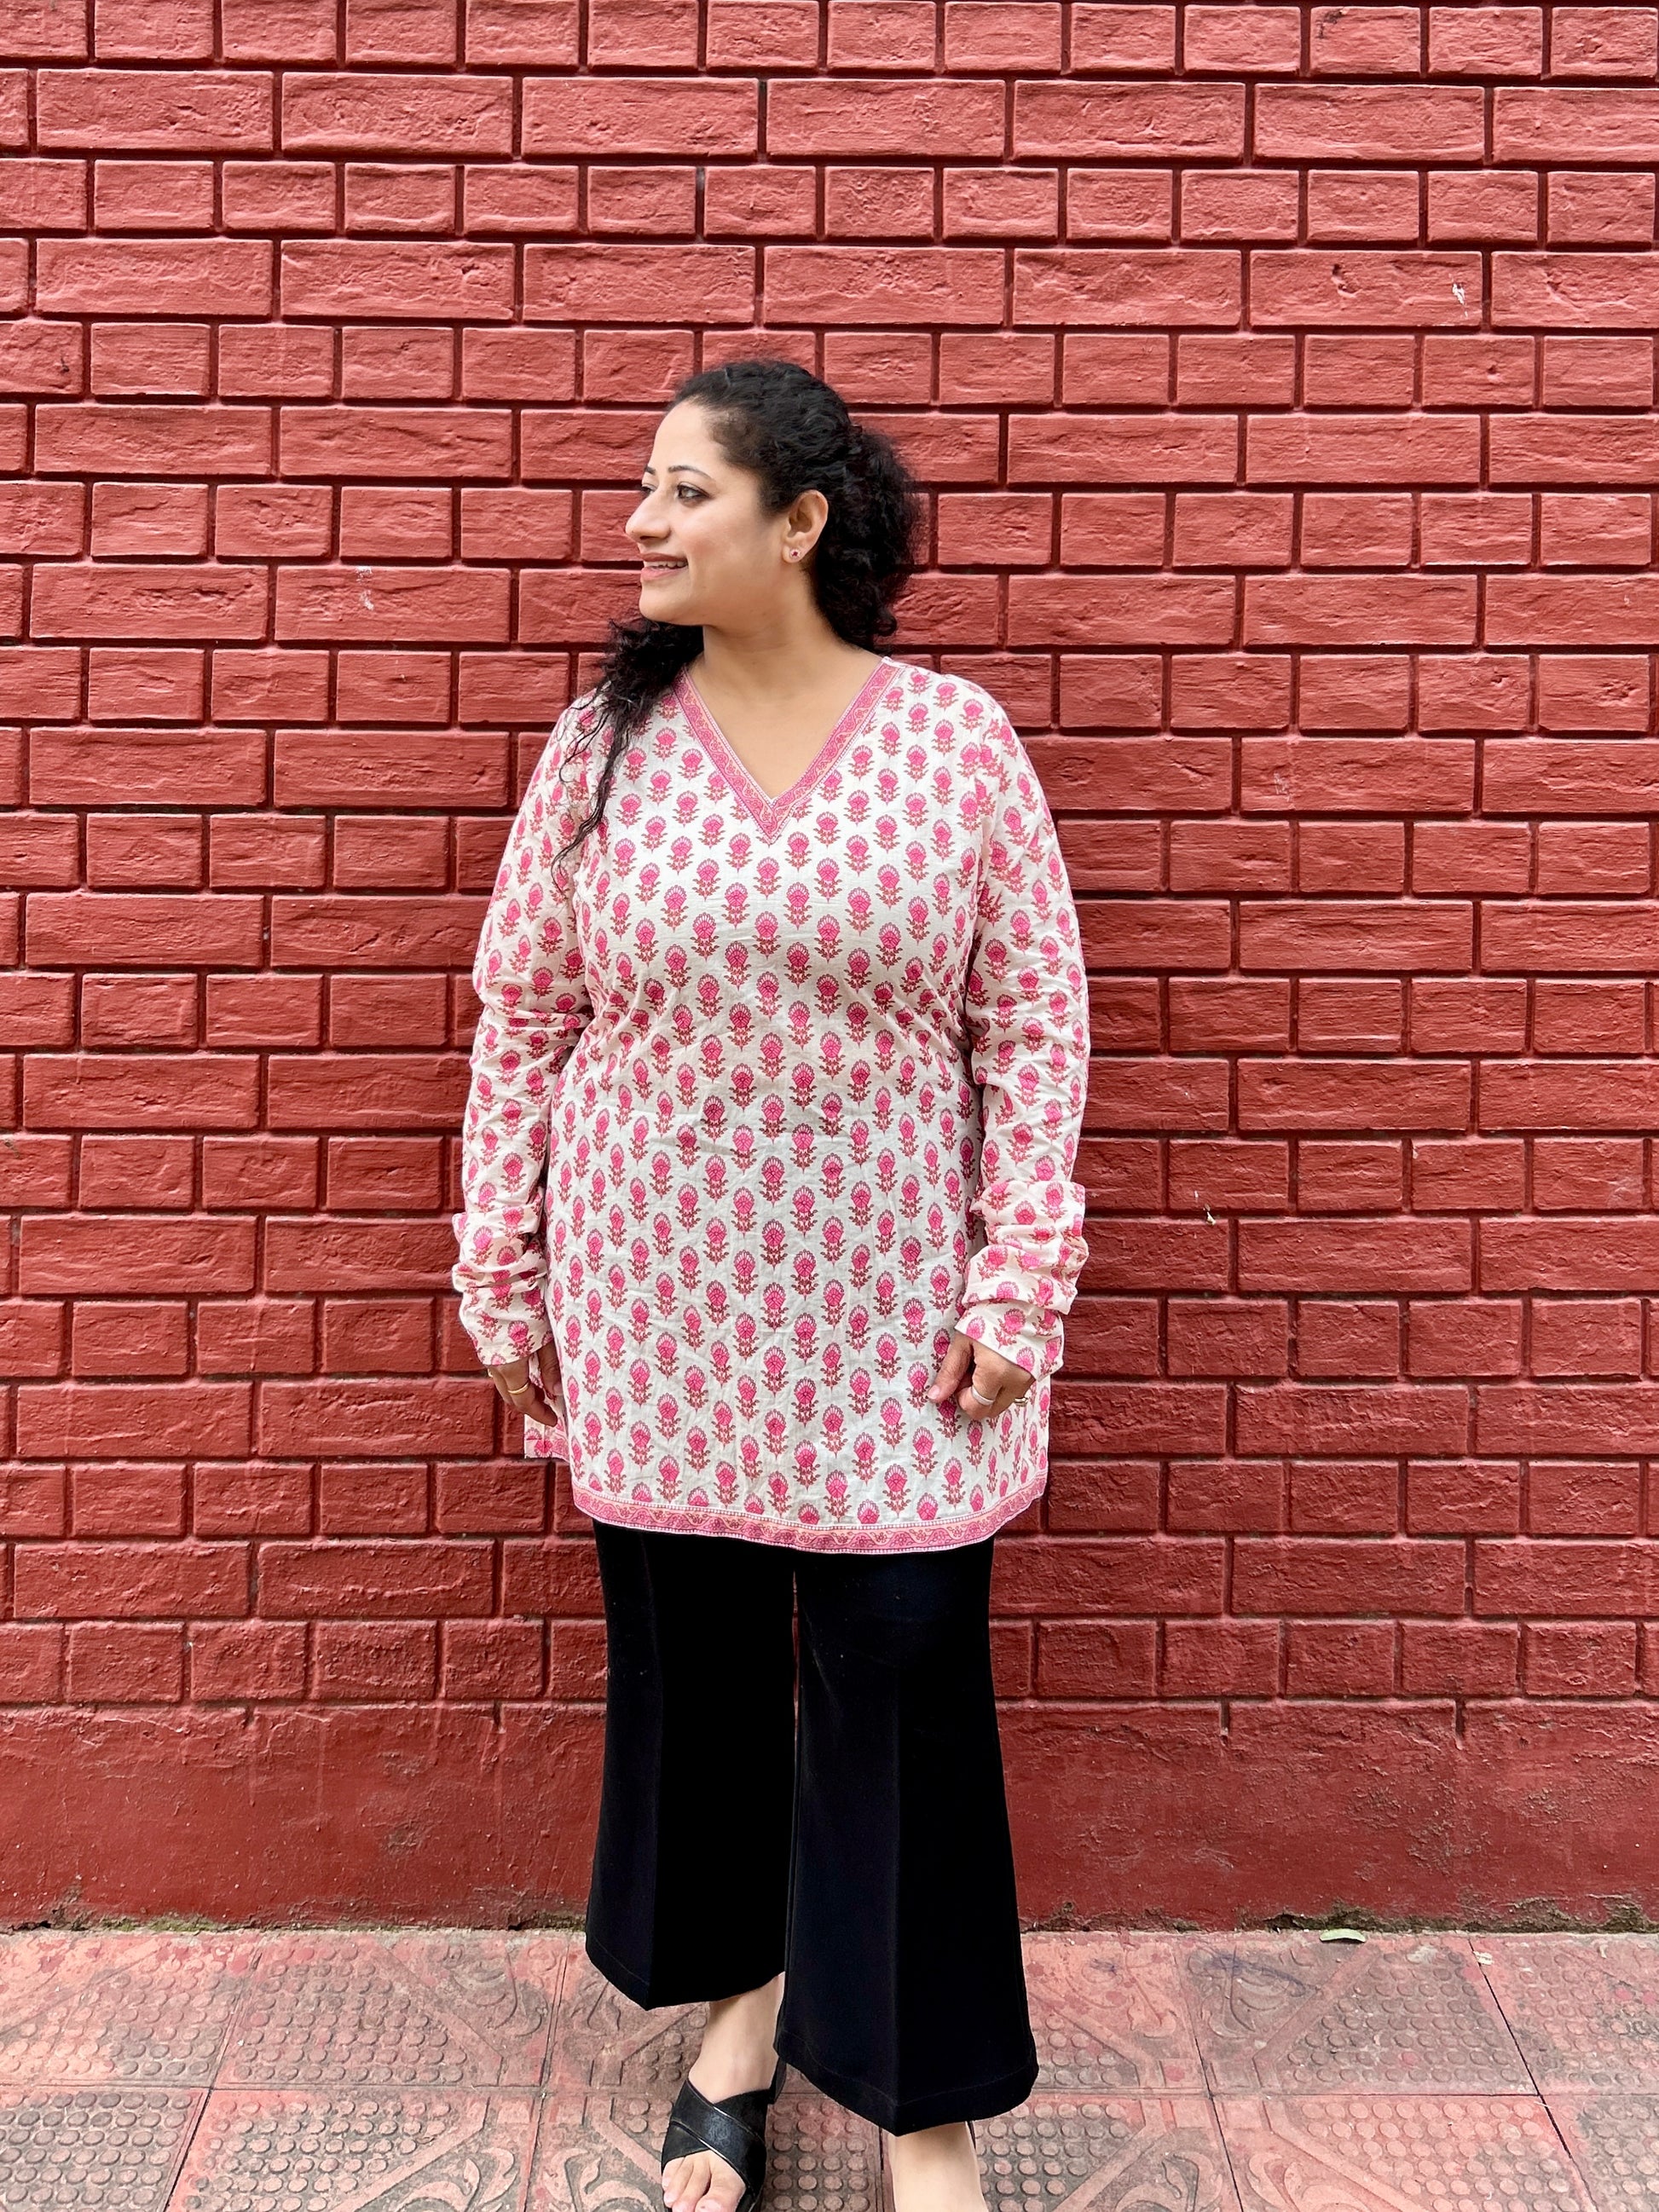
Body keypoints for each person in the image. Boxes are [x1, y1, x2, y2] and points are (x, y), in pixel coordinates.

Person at [452, 358, 1090, 2212]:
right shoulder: (602, 749)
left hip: (898, 1324)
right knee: (705, 1688)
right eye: (645, 488)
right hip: (656, 1313)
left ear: (799, 522)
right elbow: (523, 1018)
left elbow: (1033, 1023)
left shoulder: (953, 741)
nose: (641, 522)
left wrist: (1020, 1278)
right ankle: (737, 2021)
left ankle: (921, 2110)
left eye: (684, 491)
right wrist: (502, 1269)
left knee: (902, 1680)